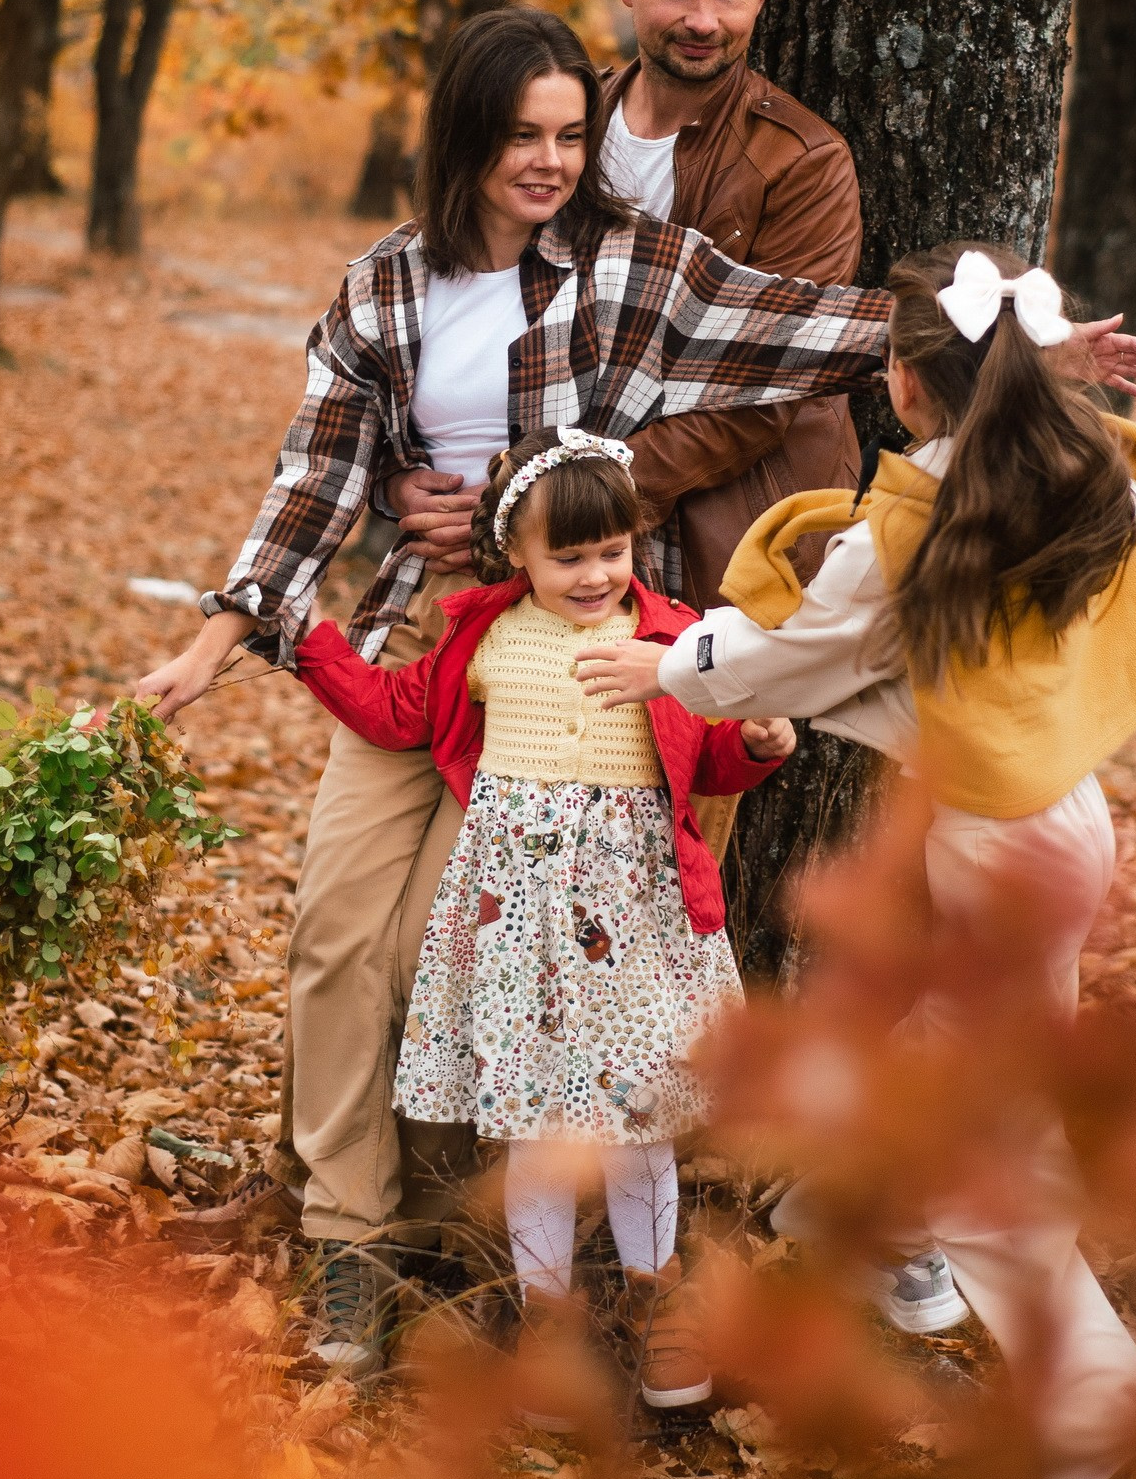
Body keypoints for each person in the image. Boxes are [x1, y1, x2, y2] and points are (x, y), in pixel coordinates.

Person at [134, 14, 1136, 1378]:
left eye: (571, 133)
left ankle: (478, 1231)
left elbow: (805, 324)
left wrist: (1036, 352)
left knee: (454, 958)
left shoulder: (634, 265)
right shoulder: (383, 289)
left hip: (569, 681)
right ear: (465, 140)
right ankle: (346, 1235)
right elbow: (317, 470)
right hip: (419, 646)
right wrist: (223, 631)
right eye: (523, 137)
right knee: (336, 932)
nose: (552, 161)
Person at [575, 243, 1136, 1479]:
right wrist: (1051, 377)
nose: (876, 384)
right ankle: (875, 1225)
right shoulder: (1068, 478)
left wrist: (665, 663)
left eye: (888, 367)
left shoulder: (908, 526)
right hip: (1048, 827)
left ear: (924, 388)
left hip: (998, 856)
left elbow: (797, 657)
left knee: (1002, 1176)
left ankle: (1121, 1474)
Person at [288, 429, 794, 1404]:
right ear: (514, 553)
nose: (595, 574)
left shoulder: (671, 636)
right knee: (532, 1131)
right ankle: (544, 1319)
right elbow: (397, 711)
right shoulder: (482, 635)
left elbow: (710, 758)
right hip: (515, 927)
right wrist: (309, 643)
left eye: (610, 551)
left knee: (640, 1123)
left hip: (633, 924)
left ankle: (656, 1298)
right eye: (567, 556)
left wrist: (760, 745)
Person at [393, 0, 864, 614]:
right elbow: (473, 312)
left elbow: (766, 394)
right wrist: (400, 473)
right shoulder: (565, 124)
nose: (703, 20)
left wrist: (534, 499)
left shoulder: (801, 162)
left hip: (720, 550)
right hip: (549, 564)